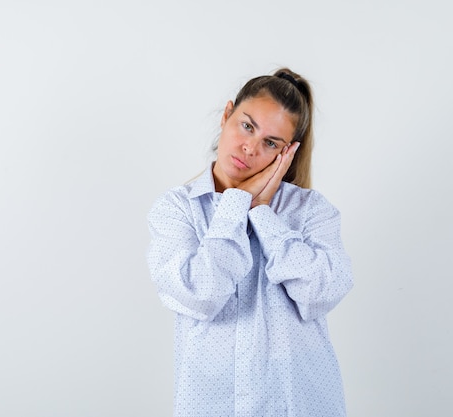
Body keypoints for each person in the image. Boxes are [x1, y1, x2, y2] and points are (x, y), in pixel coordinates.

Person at [146, 68, 353, 417]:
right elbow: (201, 293)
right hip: (214, 407)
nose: (250, 148)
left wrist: (261, 214)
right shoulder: (177, 209)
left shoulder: (310, 211)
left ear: (287, 153)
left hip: (299, 405)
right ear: (227, 115)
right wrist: (235, 205)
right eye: (247, 126)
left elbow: (324, 291)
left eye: (270, 143)